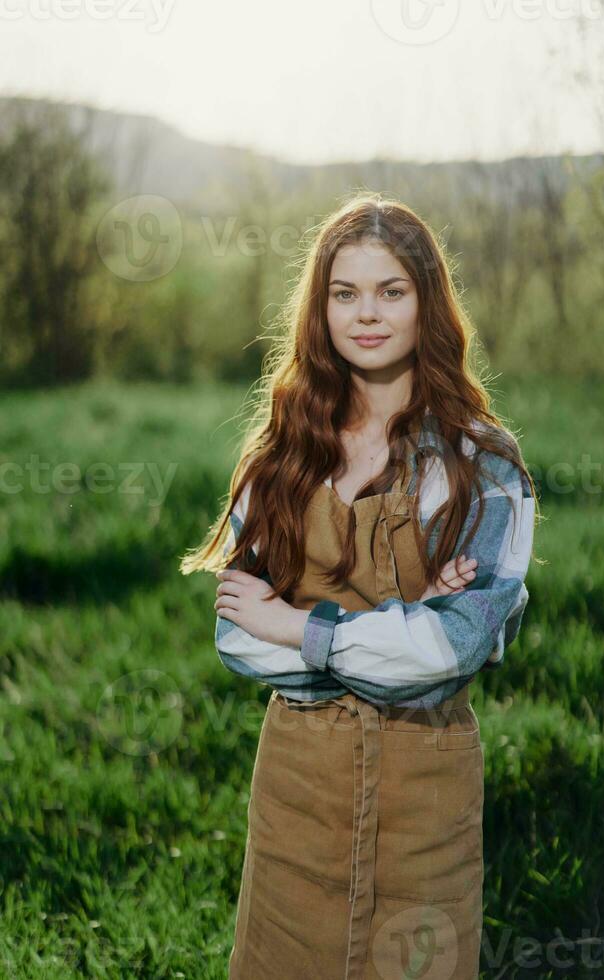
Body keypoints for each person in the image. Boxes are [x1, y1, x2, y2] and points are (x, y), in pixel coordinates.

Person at [180, 193, 539, 980]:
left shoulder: (485, 465)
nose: (365, 314)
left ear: (427, 304)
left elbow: (454, 648)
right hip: (296, 792)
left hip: (428, 788)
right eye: (345, 293)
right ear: (322, 307)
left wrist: (300, 625)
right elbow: (239, 631)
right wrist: (400, 624)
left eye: (391, 291)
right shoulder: (283, 452)